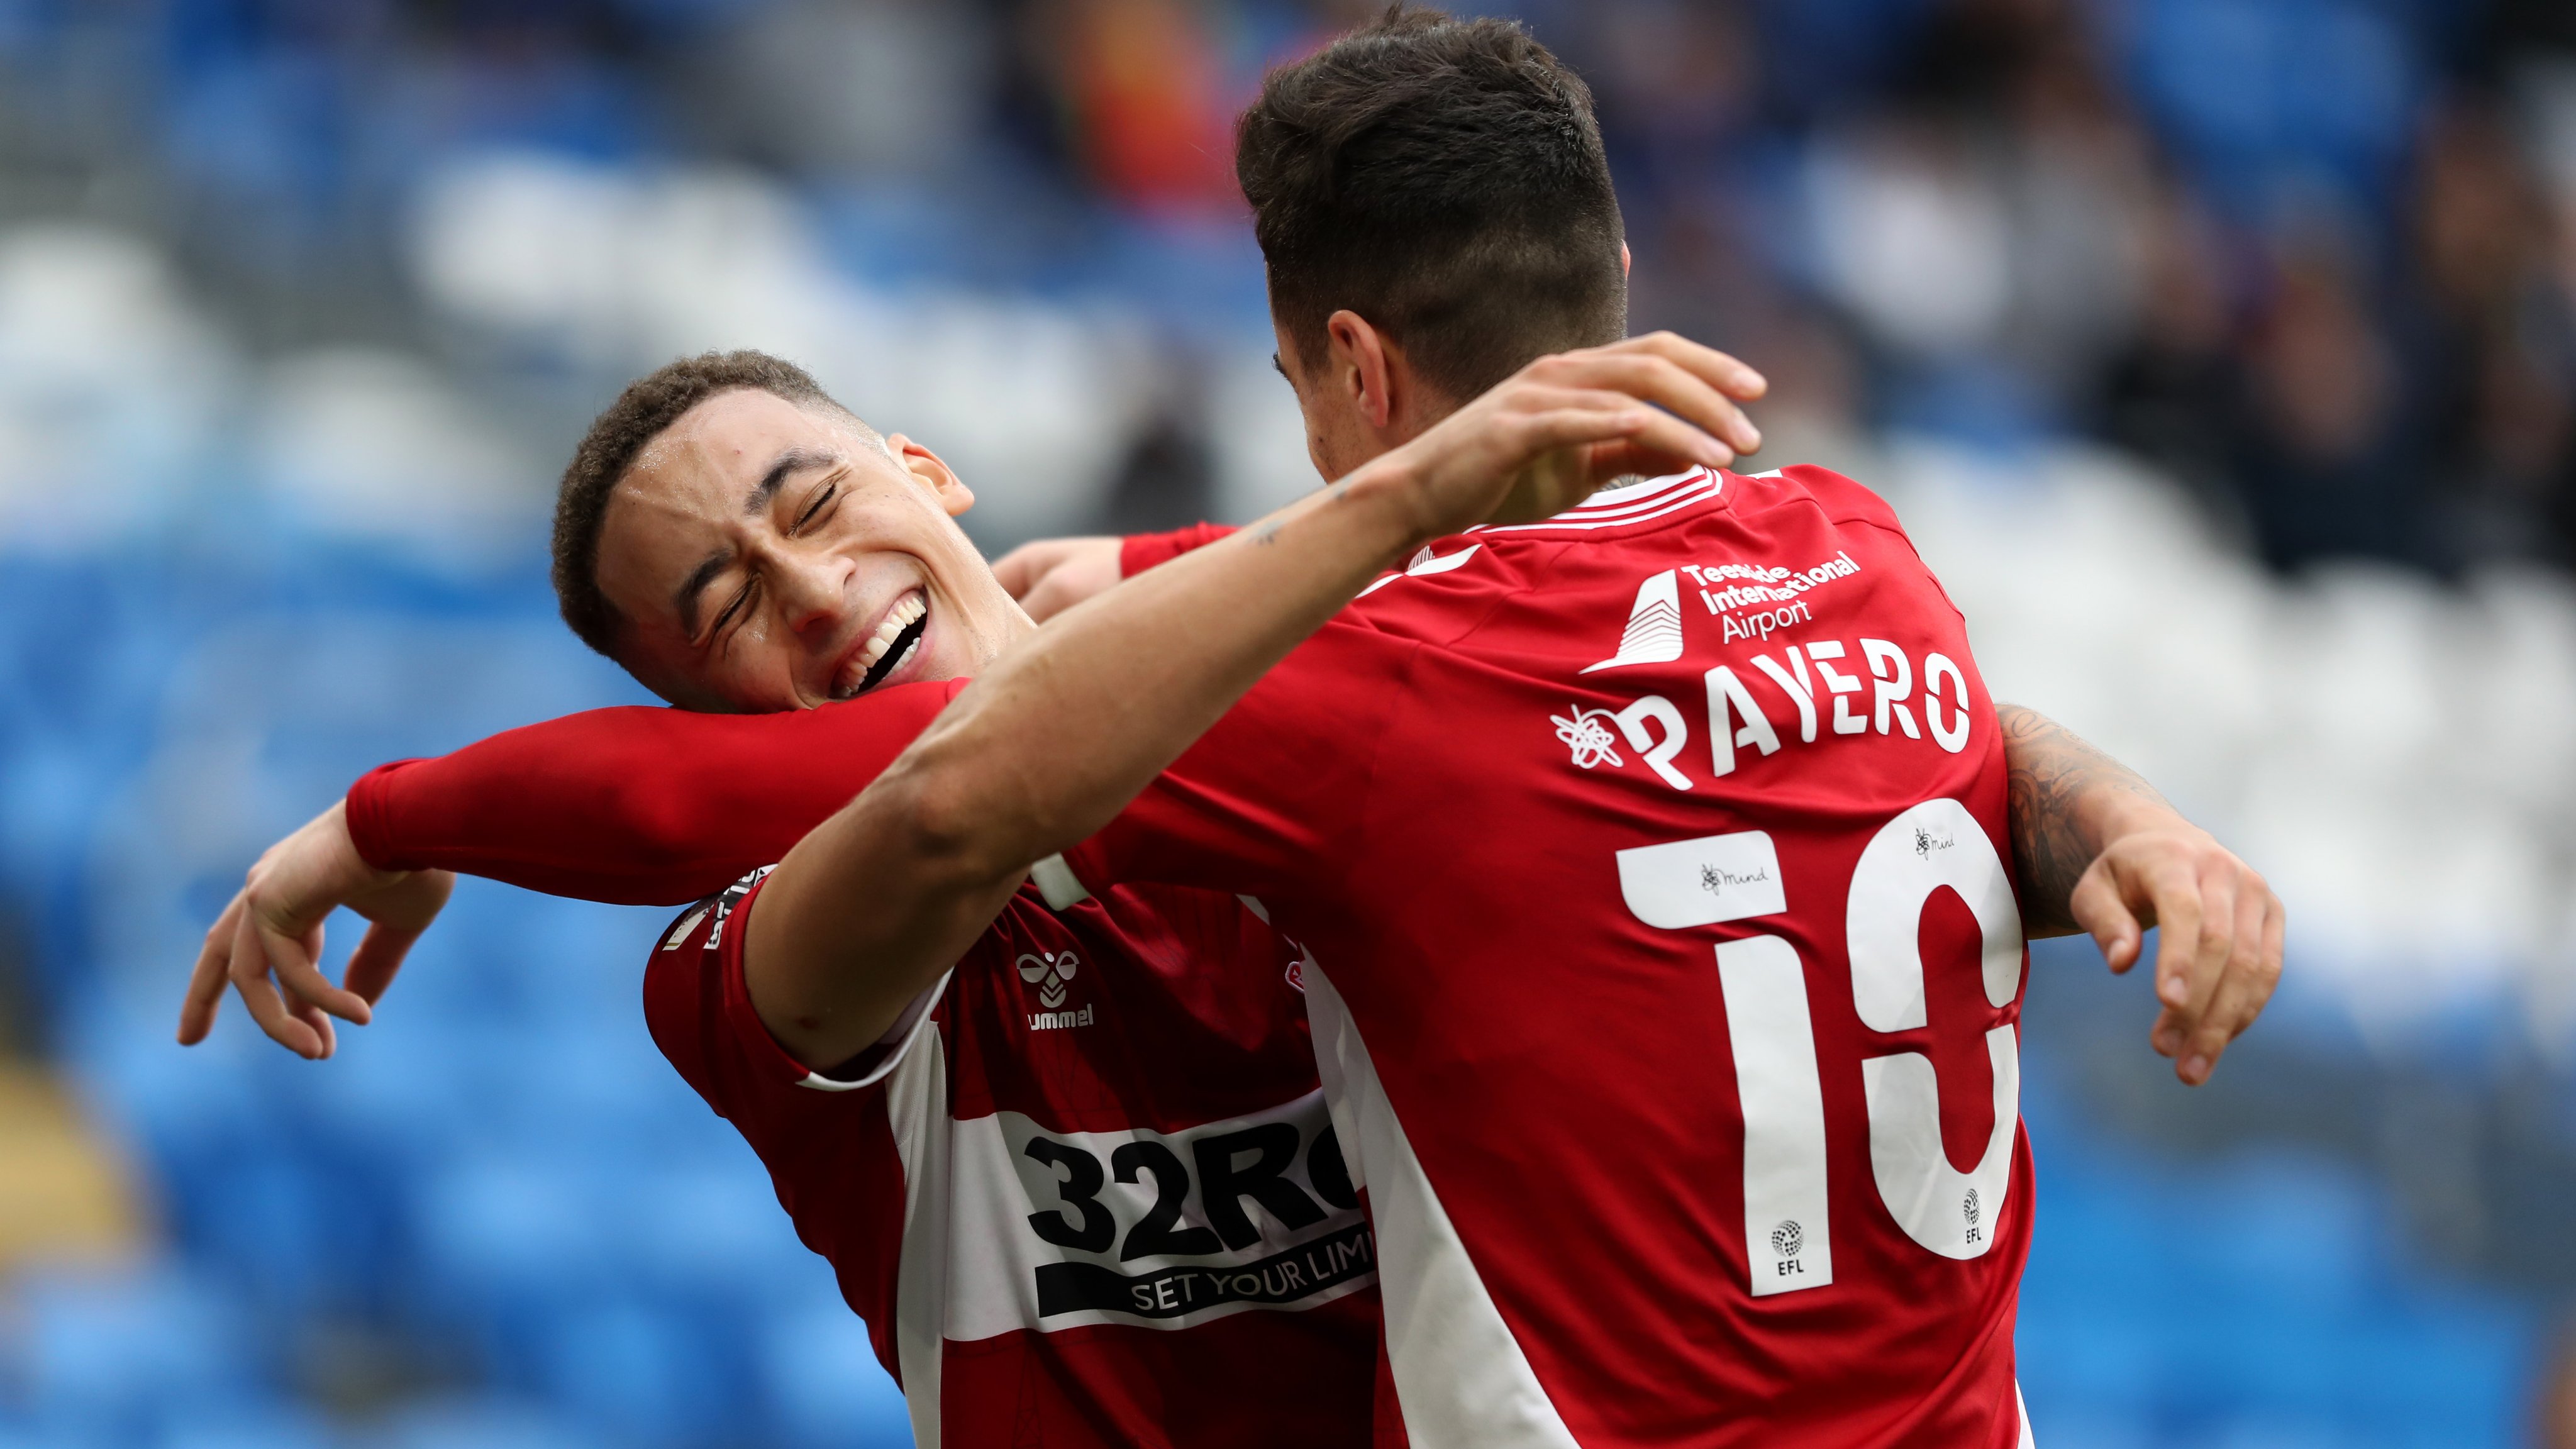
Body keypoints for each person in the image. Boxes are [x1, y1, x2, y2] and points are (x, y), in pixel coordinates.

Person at [184, 10, 2279, 1446]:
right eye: (723, 604)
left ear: (934, 470)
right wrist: (388, 812)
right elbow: (932, 814)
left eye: (817, 502)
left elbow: (1787, 708)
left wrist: (2114, 806)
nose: (814, 591)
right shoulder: (738, 964)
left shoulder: (1359, 678)